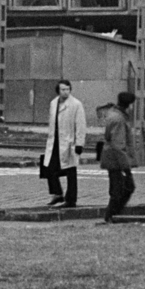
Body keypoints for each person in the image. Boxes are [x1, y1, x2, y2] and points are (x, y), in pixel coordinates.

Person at [42, 79, 86, 208]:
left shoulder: (76, 104)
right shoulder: (53, 103)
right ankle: (57, 194)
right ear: (58, 91)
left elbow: (81, 125)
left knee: (71, 171)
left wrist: (79, 143)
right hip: (54, 141)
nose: (66, 92)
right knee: (49, 168)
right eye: (63, 90)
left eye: (68, 89)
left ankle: (71, 199)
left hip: (69, 143)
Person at [100, 91, 137, 222]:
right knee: (121, 189)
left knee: (120, 189)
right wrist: (125, 166)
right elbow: (118, 144)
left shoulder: (115, 115)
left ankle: (113, 215)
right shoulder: (119, 119)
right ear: (129, 105)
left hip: (113, 158)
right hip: (117, 160)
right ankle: (111, 215)